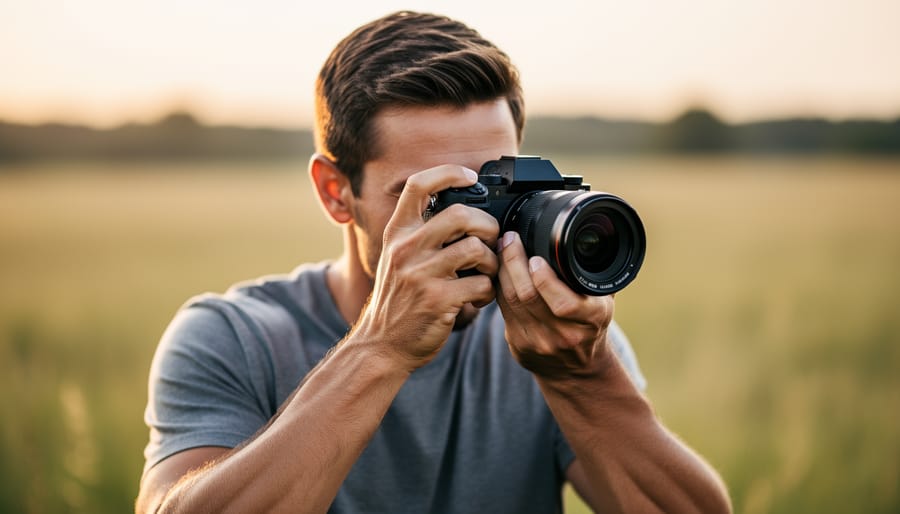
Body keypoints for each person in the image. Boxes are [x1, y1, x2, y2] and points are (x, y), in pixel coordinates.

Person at [137, 10, 731, 514]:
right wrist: (381, 348)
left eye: (499, 187)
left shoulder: (553, 335)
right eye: (439, 198)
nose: (475, 226)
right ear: (335, 192)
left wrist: (585, 380)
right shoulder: (233, 339)